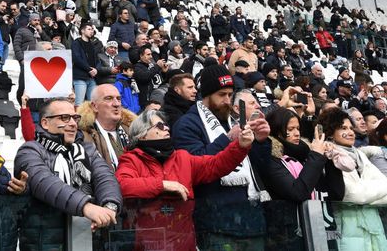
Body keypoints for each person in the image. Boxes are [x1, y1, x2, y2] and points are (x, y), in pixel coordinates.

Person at [115, 109, 254, 251]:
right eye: (160, 126)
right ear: (142, 135)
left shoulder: (182, 158)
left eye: (166, 125)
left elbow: (216, 165)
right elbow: (122, 185)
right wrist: (162, 185)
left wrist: (241, 146)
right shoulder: (131, 159)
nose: (167, 128)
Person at [172, 65, 272, 249]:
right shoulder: (186, 124)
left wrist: (260, 142)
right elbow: (194, 167)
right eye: (221, 95)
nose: (227, 101)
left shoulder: (233, 121)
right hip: (216, 224)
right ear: (206, 95)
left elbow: (260, 168)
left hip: (251, 221)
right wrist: (228, 140)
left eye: (230, 94)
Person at [14, 98, 122, 245]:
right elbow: (44, 183)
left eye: (75, 118)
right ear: (45, 123)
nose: (72, 123)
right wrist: (86, 206)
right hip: (44, 243)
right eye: (64, 118)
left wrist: (110, 206)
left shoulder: (87, 149)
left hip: (88, 238)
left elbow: (106, 177)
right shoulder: (29, 151)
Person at [262, 107, 345, 249]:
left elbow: (336, 193)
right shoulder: (271, 158)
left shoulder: (308, 154)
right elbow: (298, 192)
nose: (296, 133)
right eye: (290, 129)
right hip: (290, 237)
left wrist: (331, 160)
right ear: (276, 130)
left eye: (298, 128)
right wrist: (317, 156)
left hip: (321, 231)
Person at [322, 107, 387, 250]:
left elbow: (383, 187)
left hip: (374, 227)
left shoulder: (360, 155)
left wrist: (365, 195)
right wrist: (369, 194)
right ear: (330, 132)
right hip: (346, 228)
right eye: (343, 128)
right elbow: (353, 194)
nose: (350, 132)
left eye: (351, 128)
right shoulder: (329, 155)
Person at [77, 84, 136, 170]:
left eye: (118, 99)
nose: (116, 104)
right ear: (94, 106)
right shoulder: (83, 136)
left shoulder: (132, 131)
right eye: (108, 98)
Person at [71, 23, 102, 105]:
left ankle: (90, 118)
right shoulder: (76, 43)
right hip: (80, 76)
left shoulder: (92, 44)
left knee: (93, 103)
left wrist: (96, 70)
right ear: (82, 31)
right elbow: (76, 58)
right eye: (89, 29)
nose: (91, 31)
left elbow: (97, 60)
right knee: (79, 103)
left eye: (92, 29)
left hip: (92, 77)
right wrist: (89, 69)